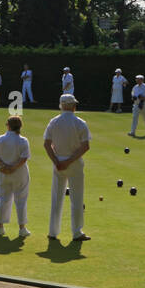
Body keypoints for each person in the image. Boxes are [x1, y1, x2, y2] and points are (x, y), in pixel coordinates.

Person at [44, 94, 91, 242]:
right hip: (74, 163)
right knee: (76, 198)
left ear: (61, 105)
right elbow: (85, 146)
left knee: (56, 198)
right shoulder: (80, 123)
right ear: (73, 106)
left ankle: (52, 232)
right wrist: (69, 160)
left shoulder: (53, 122)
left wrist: (57, 161)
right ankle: (77, 232)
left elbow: (47, 144)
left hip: (58, 163)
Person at [0, 115, 30, 238]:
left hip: (3, 172)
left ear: (8, 125)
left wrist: (5, 166)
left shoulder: (0, 139)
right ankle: (22, 228)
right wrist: (13, 168)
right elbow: (24, 158)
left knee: (3, 198)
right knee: (21, 200)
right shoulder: (23, 140)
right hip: (19, 173)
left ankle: (0, 228)